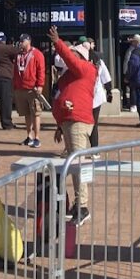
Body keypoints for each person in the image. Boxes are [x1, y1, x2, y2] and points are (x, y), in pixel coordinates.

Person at [47, 26, 97, 227]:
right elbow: (60, 98)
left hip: (79, 121)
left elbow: (70, 60)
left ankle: (82, 206)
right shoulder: (67, 76)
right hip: (68, 122)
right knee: (74, 164)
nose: (69, 56)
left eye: (74, 53)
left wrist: (58, 42)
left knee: (78, 164)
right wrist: (59, 124)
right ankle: (77, 203)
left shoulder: (86, 69)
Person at [73, 36, 112, 149]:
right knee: (92, 123)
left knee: (81, 123)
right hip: (92, 95)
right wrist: (109, 90)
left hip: (88, 95)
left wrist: (109, 91)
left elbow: (105, 75)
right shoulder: (97, 58)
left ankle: (87, 149)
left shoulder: (87, 60)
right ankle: (93, 149)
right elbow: (106, 76)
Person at [12, 33, 45, 148]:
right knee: (26, 113)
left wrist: (40, 85)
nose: (20, 43)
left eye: (22, 41)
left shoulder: (37, 54)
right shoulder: (18, 55)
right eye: (20, 41)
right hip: (21, 88)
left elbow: (41, 70)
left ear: (28, 41)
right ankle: (29, 136)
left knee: (35, 112)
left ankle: (37, 137)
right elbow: (16, 71)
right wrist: (15, 85)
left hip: (32, 88)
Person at [0, 32, 18, 130]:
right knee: (5, 101)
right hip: (6, 77)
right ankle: (7, 123)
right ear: (4, 40)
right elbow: (19, 51)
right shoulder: (7, 48)